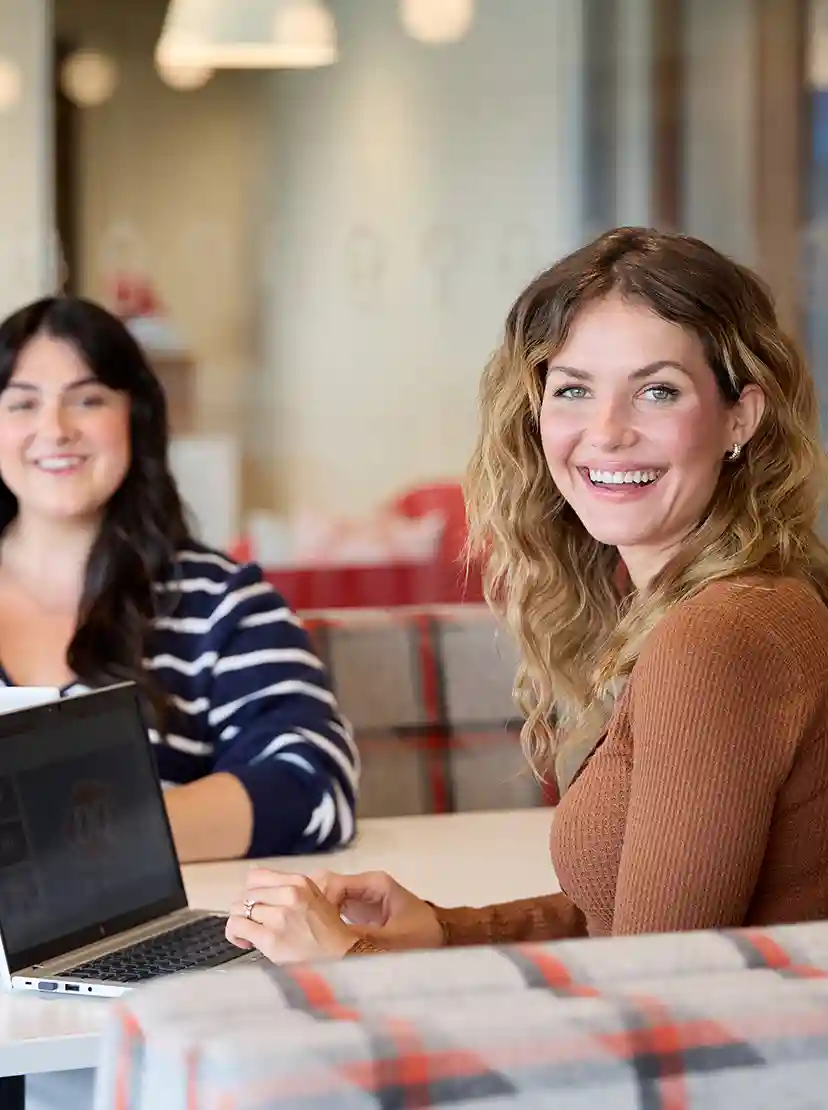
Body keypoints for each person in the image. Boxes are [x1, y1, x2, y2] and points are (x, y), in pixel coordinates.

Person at [225, 226, 828, 964]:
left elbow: (654, 994)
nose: (606, 433)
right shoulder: (713, 604)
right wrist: (448, 931)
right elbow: (630, 913)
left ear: (742, 417)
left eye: (657, 391)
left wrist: (351, 964)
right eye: (574, 389)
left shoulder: (722, 636)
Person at [0, 295, 358, 866]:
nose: (55, 428)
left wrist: (86, 841)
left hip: (158, 948)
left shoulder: (222, 603)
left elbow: (314, 783)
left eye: (87, 399)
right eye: (22, 404)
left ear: (134, 419)